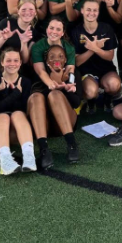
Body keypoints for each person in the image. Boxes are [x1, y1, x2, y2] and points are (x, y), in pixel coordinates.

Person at [28, 18, 81, 168]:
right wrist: (50, 83)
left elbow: (71, 72)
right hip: (44, 122)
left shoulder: (69, 50)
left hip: (64, 121)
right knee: (37, 96)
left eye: (58, 29)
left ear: (63, 33)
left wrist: (68, 85)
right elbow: (40, 71)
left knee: (55, 95)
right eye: (52, 28)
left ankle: (71, 144)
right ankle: (44, 149)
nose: (54, 32)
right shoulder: (38, 48)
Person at [0, 49, 36, 175]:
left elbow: (23, 109)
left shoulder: (26, 82)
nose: (12, 63)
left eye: (16, 60)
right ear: (2, 62)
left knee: (17, 114)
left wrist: (9, 95)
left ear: (21, 62)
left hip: (16, 130)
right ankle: (5, 161)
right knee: (3, 117)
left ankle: (29, 157)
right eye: (8, 60)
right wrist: (11, 93)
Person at [70, 0, 122, 113]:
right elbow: (77, 61)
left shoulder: (106, 28)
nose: (91, 13)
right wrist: (93, 49)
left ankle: (108, 99)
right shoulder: (76, 31)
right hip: (86, 71)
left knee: (114, 85)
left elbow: (109, 56)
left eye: (95, 10)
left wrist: (96, 48)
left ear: (98, 12)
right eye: (88, 10)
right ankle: (91, 101)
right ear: (82, 11)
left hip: (105, 69)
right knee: (91, 92)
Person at [0, 0, 38, 77]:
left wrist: (23, 43)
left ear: (35, 12)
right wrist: (3, 38)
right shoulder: (6, 23)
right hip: (0, 73)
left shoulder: (33, 32)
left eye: (31, 9)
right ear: (18, 11)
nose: (27, 12)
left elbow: (25, 60)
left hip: (20, 75)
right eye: (23, 9)